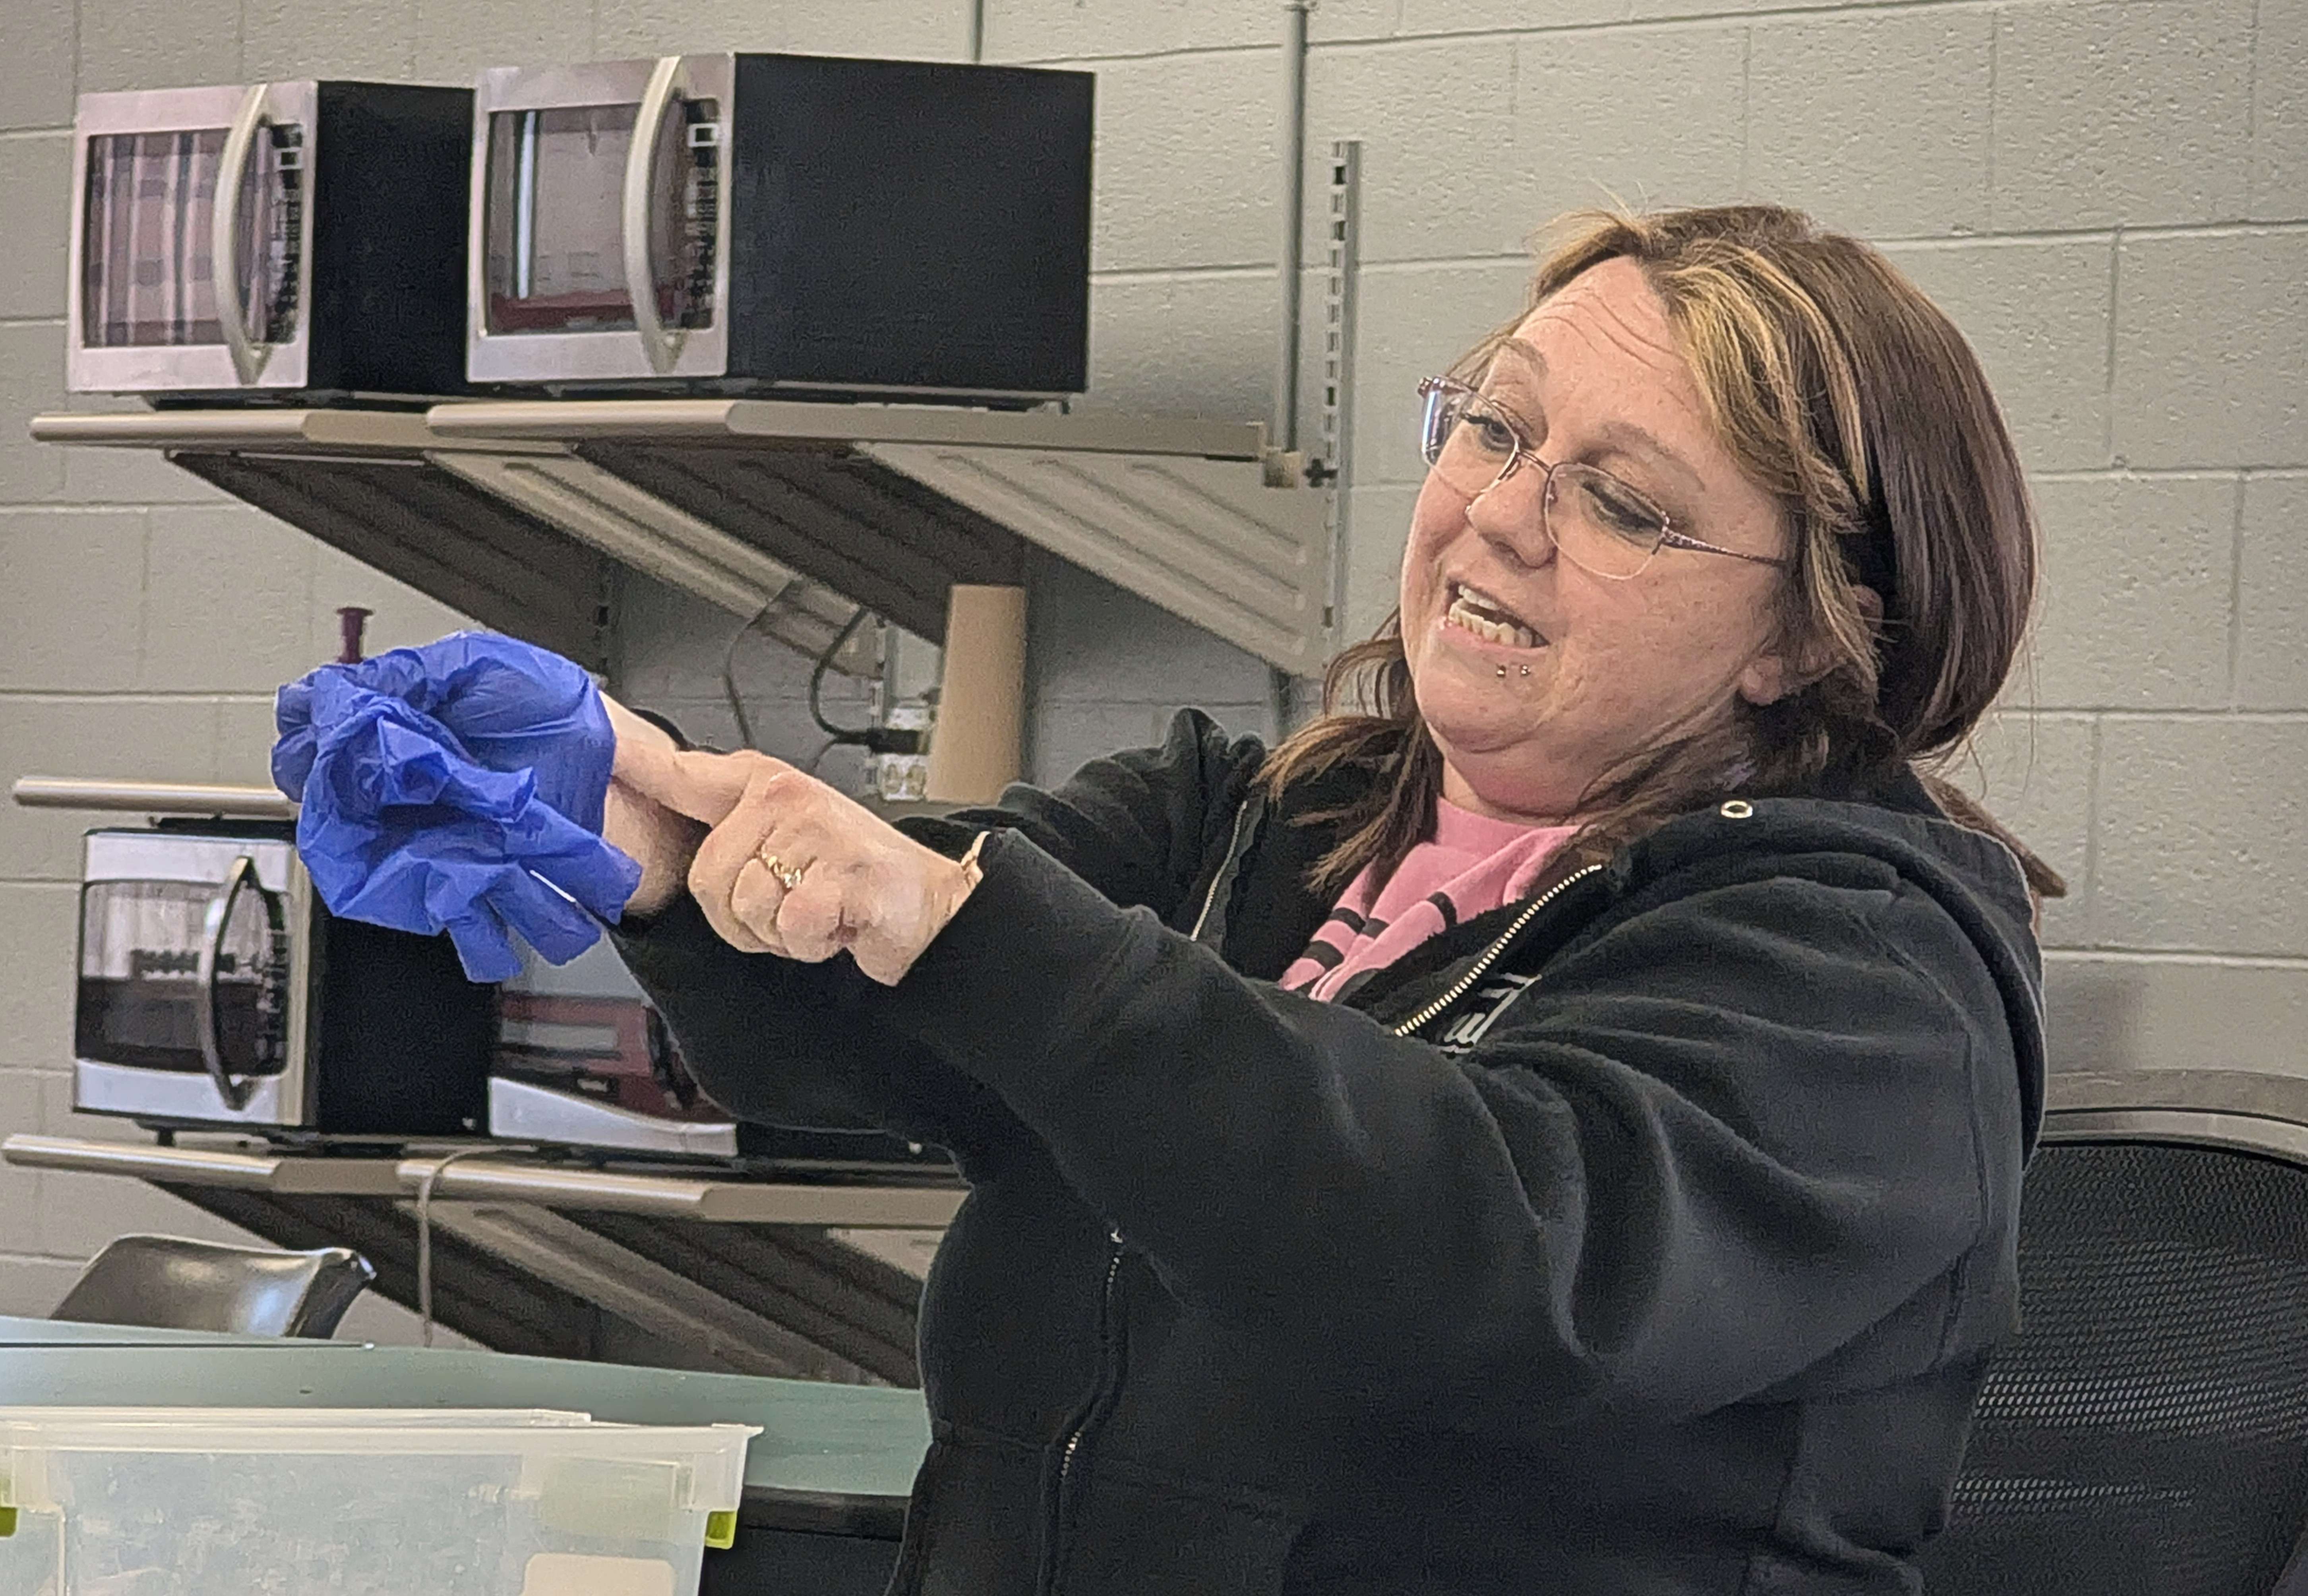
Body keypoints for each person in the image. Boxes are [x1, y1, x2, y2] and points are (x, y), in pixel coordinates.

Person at [307, 203, 2060, 1594]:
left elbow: (1504, 1268)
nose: (1501, 519)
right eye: (1497, 430)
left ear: (1811, 630)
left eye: (1621, 503)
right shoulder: (1250, 824)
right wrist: (665, 835)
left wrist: (974, 929)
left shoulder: (1862, 970)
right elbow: (865, 1026)